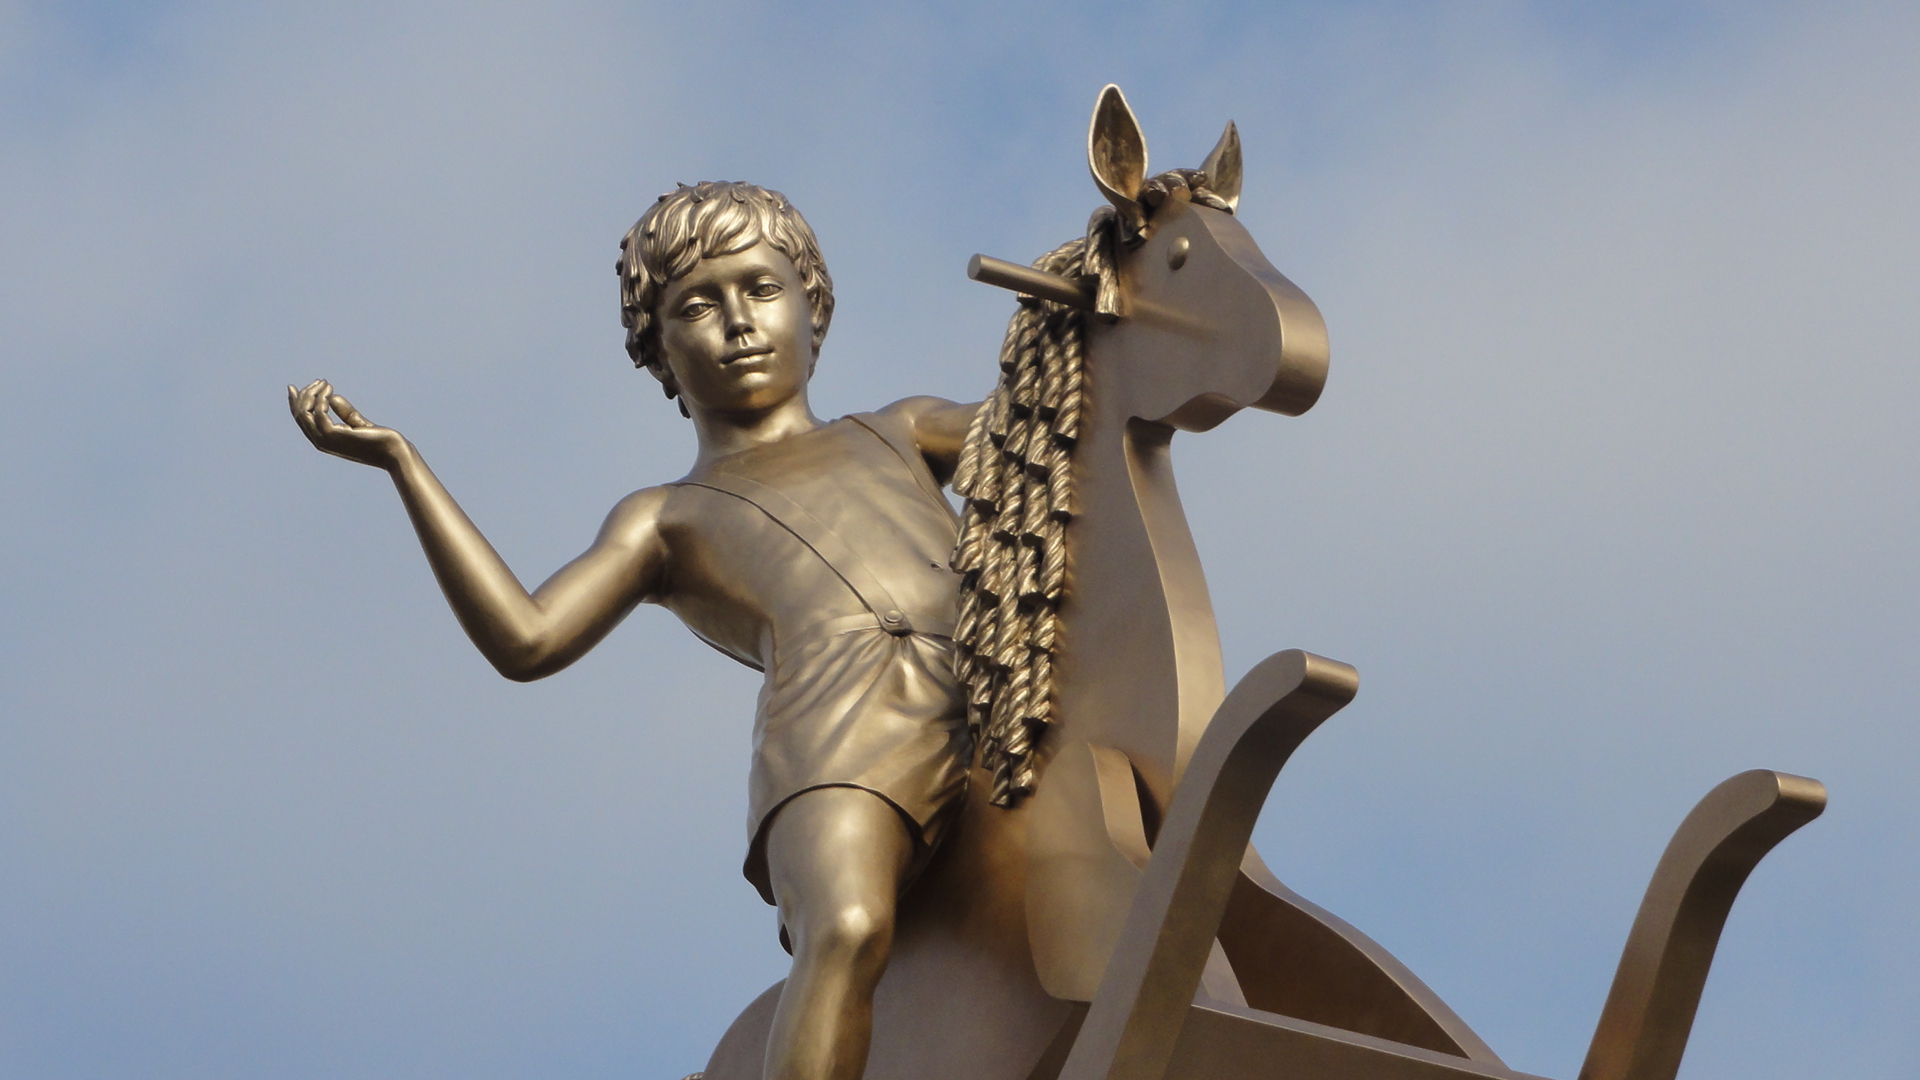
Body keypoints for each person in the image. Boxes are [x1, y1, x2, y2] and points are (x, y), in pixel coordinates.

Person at [288, 180, 978, 1080]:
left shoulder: (904, 429)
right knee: (846, 927)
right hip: (839, 740)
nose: (738, 321)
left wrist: (1127, 268)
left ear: (816, 307)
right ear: (657, 352)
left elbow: (1062, 425)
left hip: (993, 690)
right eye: (698, 304)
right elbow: (528, 639)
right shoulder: (662, 519)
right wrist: (403, 466)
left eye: (763, 289)